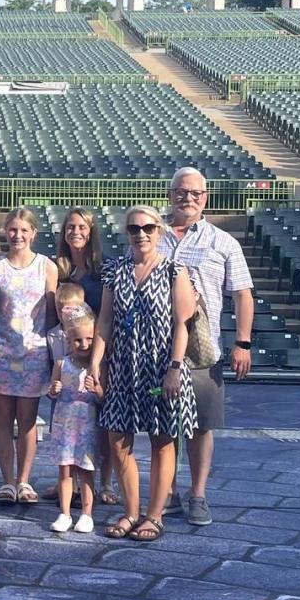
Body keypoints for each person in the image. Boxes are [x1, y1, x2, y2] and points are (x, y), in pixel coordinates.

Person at [89, 206, 198, 542]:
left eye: (148, 227)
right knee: (117, 440)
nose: (141, 234)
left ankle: (154, 515)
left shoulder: (174, 271)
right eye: (134, 228)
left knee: (162, 441)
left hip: (161, 367)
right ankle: (130, 511)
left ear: (159, 231)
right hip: (123, 366)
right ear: (127, 233)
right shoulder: (114, 272)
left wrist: (175, 369)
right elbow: (104, 321)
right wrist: (96, 362)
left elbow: (184, 324)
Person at [159, 167, 253, 526]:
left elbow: (242, 295)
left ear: (206, 199)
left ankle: (197, 494)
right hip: (157, 347)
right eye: (182, 191)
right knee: (162, 424)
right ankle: (166, 491)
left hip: (203, 350)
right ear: (171, 195)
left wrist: (242, 342)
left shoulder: (223, 242)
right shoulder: (153, 235)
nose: (188, 198)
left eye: (196, 193)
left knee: (201, 427)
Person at [0, 207, 58, 505]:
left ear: (33, 233)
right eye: (12, 229)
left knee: (27, 421)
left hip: (34, 353)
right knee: (2, 419)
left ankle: (24, 480)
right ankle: (6, 481)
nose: (17, 235)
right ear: (6, 231)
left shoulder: (47, 267)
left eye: (23, 230)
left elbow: (52, 314)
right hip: (1, 351)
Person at [55, 207, 117, 504]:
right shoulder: (61, 269)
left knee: (100, 421)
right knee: (67, 417)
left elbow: (108, 314)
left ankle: (103, 482)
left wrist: (97, 356)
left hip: (98, 354)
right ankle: (68, 482)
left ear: (91, 232)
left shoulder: (104, 268)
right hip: (68, 354)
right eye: (70, 227)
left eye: (81, 227)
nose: (75, 232)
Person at [47, 308, 102, 534]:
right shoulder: (61, 364)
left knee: (86, 470)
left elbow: (102, 397)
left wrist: (96, 389)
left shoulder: (97, 367)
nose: (84, 344)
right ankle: (65, 512)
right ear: (69, 340)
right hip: (65, 423)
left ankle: (87, 513)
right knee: (65, 470)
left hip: (86, 426)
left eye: (89, 339)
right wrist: (55, 388)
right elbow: (52, 391)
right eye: (78, 340)